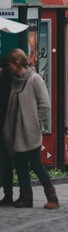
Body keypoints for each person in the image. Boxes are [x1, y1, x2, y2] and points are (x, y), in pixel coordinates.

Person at [2, 49, 59, 209]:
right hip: (17, 132)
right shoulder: (16, 81)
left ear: (16, 63)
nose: (9, 67)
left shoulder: (34, 79)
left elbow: (44, 104)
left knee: (36, 165)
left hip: (31, 132)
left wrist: (38, 125)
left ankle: (52, 196)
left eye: (10, 64)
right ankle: (26, 197)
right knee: (20, 166)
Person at [0, 59, 15, 206]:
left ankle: (9, 194)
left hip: (7, 127)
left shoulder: (8, 81)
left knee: (8, 161)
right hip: (6, 125)